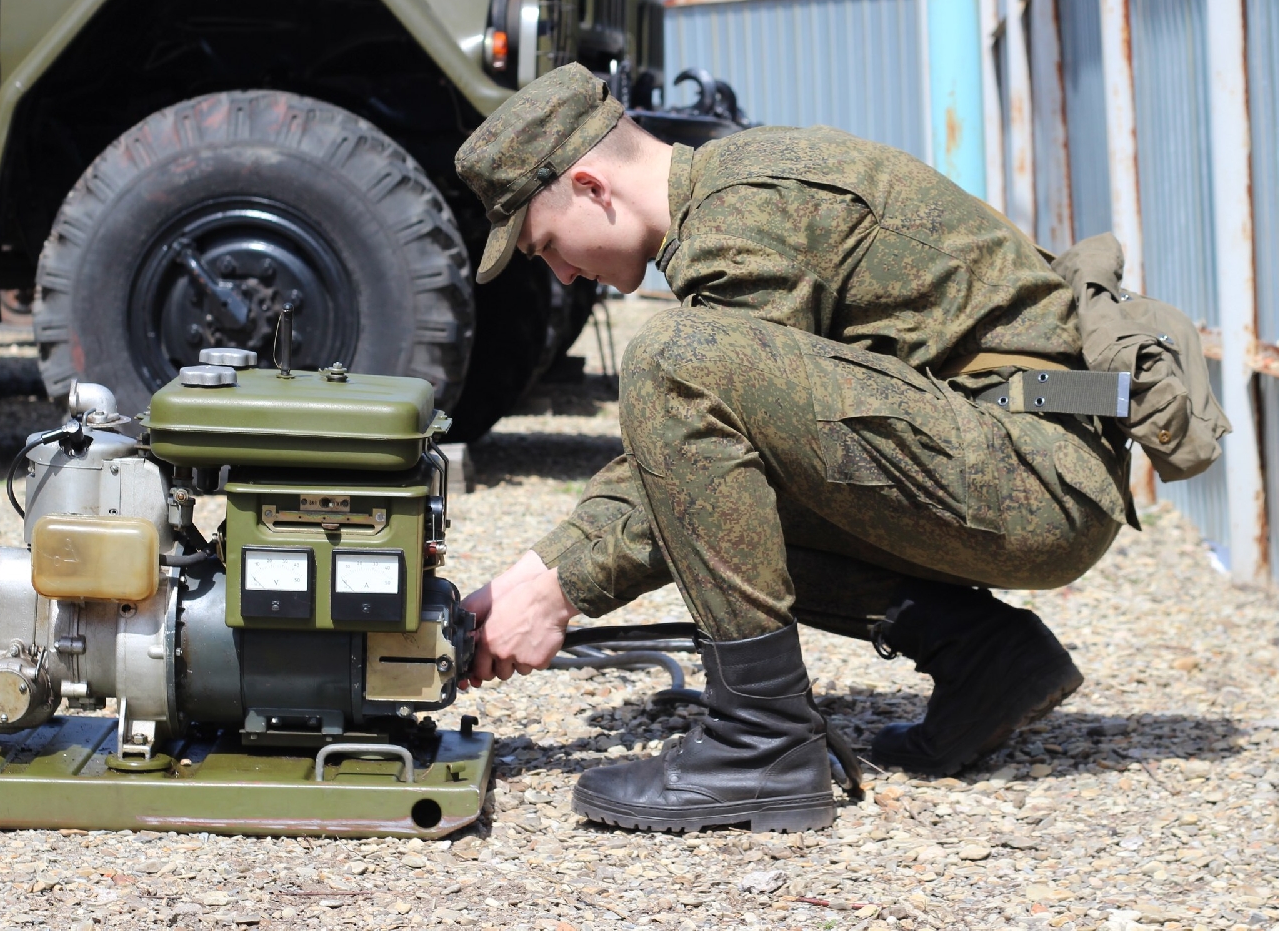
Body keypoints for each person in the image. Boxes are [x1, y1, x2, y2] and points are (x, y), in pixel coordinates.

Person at [453, 63, 1132, 834]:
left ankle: (759, 745)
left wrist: (553, 589)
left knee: (672, 361)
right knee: (709, 472)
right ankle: (983, 657)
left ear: (590, 186)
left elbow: (683, 432)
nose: (566, 273)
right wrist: (530, 575)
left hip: (1038, 471)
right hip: (1019, 454)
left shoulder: (747, 212)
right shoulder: (728, 198)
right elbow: (684, 470)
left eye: (545, 245)